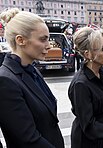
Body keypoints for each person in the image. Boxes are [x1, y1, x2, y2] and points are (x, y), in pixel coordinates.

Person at [0, 8, 64, 147]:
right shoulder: (5, 81)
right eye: (43, 39)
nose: (49, 46)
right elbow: (28, 139)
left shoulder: (32, 70)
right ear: (20, 40)